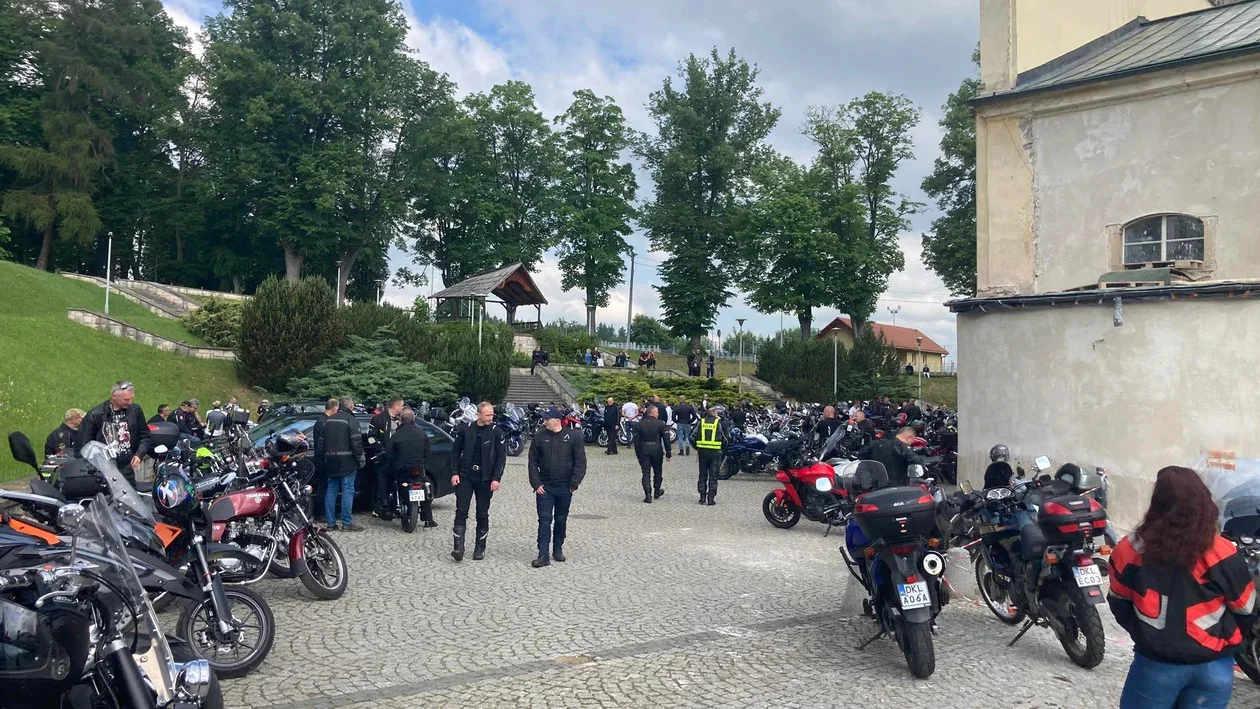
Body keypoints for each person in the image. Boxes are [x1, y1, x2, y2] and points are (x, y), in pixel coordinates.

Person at [1109, 466, 1257, 709]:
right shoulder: (1222, 552)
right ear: (1204, 504)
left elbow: (1118, 602)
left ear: (1157, 504)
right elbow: (1246, 609)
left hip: (1155, 666)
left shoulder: (1130, 549)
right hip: (1213, 668)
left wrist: (1146, 636)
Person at [528, 408, 587, 567]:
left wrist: (574, 483)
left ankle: (558, 548)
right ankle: (543, 554)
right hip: (545, 487)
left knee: (561, 519)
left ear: (557, 420)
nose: (544, 422)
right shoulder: (540, 436)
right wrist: (536, 483)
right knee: (544, 520)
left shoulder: (573, 436)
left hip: (565, 487)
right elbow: (532, 462)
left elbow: (580, 462)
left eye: (547, 419)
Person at [452, 402, 507, 561]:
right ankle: (458, 547)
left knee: (482, 513)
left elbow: (501, 457)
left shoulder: (496, 432)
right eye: (488, 415)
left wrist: (496, 478)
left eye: (492, 414)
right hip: (466, 475)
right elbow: (455, 452)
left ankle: (480, 548)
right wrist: (454, 472)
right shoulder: (465, 429)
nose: (491, 417)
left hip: (485, 478)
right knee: (461, 510)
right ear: (478, 415)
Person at [78, 381, 150, 484]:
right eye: (126, 399)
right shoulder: (95, 415)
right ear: (114, 396)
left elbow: (145, 435)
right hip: (103, 469)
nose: (130, 402)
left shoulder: (135, 410)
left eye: (131, 398)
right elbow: (84, 444)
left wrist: (139, 454)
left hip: (127, 466)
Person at [313, 398, 365, 531]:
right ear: (351, 406)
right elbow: (356, 442)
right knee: (348, 490)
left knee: (331, 490)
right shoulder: (351, 420)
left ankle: (331, 523)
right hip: (347, 461)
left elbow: (320, 444)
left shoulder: (328, 421)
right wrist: (360, 458)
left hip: (330, 461)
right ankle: (347, 522)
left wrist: (322, 458)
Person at [385, 407, 437, 528]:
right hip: (418, 467)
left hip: (402, 468)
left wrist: (393, 462)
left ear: (401, 420)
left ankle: (388, 506)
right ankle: (428, 518)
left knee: (390, 480)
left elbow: (389, 453)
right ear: (413, 418)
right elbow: (427, 451)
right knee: (425, 486)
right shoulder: (421, 432)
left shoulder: (397, 435)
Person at [859, 426, 934, 487]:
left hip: (874, 488)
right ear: (910, 437)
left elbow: (860, 456)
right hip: (895, 488)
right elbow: (916, 460)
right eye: (913, 440)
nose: (911, 443)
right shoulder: (901, 447)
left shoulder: (875, 444)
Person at [369, 397, 404, 516]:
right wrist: (380, 448)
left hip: (399, 456)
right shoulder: (378, 419)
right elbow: (371, 437)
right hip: (383, 456)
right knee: (382, 479)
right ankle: (381, 504)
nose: (403, 408)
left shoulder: (402, 420)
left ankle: (401, 503)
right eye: (402, 406)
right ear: (395, 407)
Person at [634, 406, 671, 503]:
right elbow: (666, 439)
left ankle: (648, 495)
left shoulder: (639, 424)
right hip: (657, 449)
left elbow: (636, 441)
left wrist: (638, 453)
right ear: (653, 413)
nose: (658, 414)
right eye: (657, 412)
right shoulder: (660, 423)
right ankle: (657, 491)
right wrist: (668, 453)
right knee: (658, 471)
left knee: (646, 472)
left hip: (644, 449)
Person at [694, 405, 727, 505]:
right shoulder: (717, 423)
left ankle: (702, 498)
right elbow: (724, 439)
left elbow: (692, 437)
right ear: (714, 414)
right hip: (715, 453)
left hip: (703, 453)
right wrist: (721, 449)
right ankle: (711, 499)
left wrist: (697, 447)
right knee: (713, 476)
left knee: (702, 475)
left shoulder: (701, 422)